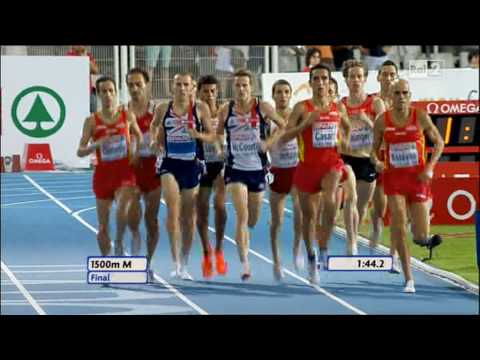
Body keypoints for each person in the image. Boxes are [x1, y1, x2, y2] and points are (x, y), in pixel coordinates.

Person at [371, 79, 444, 293]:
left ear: (409, 95)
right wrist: (376, 161)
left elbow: (439, 142)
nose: (401, 96)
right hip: (394, 179)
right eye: (397, 93)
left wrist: (430, 167)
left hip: (418, 179)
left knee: (420, 235)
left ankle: (421, 237)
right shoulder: (382, 121)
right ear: (390, 96)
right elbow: (372, 149)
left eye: (405, 93)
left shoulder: (419, 116)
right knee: (399, 223)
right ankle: (409, 278)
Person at [281, 64, 351, 284]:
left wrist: (343, 142)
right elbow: (285, 136)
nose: (321, 83)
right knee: (309, 217)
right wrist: (306, 125)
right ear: (310, 83)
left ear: (330, 82)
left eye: (325, 79)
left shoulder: (338, 107)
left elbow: (347, 127)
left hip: (331, 165)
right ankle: (311, 255)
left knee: (330, 201)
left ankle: (323, 248)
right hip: (307, 168)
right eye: (317, 79)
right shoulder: (302, 108)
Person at [217, 69, 286, 281]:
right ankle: (245, 263)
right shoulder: (225, 109)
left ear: (251, 87)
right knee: (242, 215)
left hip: (257, 169)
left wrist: (268, 143)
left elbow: (283, 126)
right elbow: (219, 132)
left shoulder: (262, 107)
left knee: (253, 219)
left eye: (245, 85)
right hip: (235, 169)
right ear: (233, 87)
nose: (241, 89)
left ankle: (247, 237)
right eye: (237, 85)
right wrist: (221, 148)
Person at [150, 72, 217, 280]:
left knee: (189, 218)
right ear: (173, 86)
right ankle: (175, 260)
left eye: (185, 84)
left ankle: (184, 263)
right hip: (169, 163)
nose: (181, 88)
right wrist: (154, 141)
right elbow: (155, 126)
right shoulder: (163, 108)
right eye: (178, 84)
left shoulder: (200, 109)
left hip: (192, 165)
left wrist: (198, 135)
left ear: (192, 87)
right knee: (173, 209)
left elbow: (212, 135)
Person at [77, 76, 143, 258]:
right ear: (98, 95)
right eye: (103, 91)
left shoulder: (127, 115)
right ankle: (107, 262)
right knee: (103, 227)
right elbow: (80, 151)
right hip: (103, 177)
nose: (108, 95)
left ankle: (123, 245)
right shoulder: (91, 121)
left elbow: (139, 136)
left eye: (111, 91)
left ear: (116, 93)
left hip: (125, 174)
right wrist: (96, 145)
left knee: (125, 211)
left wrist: (136, 153)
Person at [340, 60, 385, 238]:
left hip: (368, 160)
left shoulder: (375, 103)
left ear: (365, 79)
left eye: (359, 76)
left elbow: (385, 133)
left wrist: (367, 121)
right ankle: (350, 241)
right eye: (352, 77)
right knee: (351, 200)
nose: (356, 80)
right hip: (347, 158)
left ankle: (353, 237)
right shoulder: (341, 105)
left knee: (361, 206)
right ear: (346, 80)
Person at [125, 68, 162, 281]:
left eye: (138, 84)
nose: (135, 89)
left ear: (146, 85)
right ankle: (136, 253)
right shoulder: (124, 111)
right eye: (131, 85)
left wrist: (157, 145)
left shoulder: (157, 110)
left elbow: (162, 138)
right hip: (132, 168)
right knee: (132, 216)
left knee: (151, 219)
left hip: (152, 168)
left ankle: (148, 261)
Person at [268, 79, 303, 281]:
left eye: (286, 92)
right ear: (273, 95)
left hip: (296, 169)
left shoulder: (297, 116)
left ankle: (297, 249)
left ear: (290, 95)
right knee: (277, 220)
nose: (282, 95)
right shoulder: (268, 118)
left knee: (299, 212)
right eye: (279, 92)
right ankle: (276, 260)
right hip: (278, 170)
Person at [196, 75, 228, 279]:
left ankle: (218, 249)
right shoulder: (195, 112)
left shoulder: (224, 111)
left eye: (212, 91)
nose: (209, 95)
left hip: (221, 164)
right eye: (205, 91)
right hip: (201, 164)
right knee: (202, 211)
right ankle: (206, 251)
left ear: (217, 92)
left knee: (220, 205)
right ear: (199, 92)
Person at [66, 45, 100, 113]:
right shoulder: (68, 56)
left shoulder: (88, 56)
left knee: (93, 115)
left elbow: (96, 71)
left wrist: (85, 58)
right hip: (74, 93)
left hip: (88, 92)